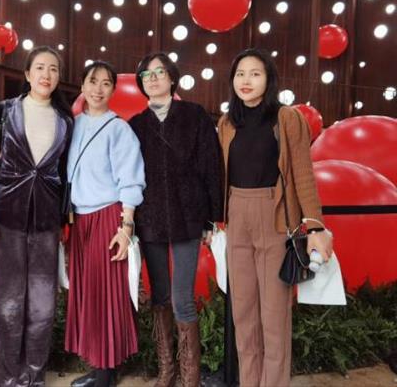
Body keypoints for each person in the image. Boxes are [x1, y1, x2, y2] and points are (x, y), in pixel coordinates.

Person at [217, 47, 333, 387]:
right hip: (236, 215)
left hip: (274, 215)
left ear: (269, 79)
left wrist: (315, 225)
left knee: (273, 316)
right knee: (243, 314)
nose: (246, 80)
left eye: (255, 73)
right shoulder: (226, 123)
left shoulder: (287, 118)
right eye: (240, 74)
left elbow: (303, 174)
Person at [128, 52, 222, 387]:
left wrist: (212, 218)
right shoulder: (135, 125)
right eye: (146, 74)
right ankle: (167, 371)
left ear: (172, 78)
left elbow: (212, 165)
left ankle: (190, 376)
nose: (153, 78)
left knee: (182, 297)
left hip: (188, 216)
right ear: (141, 83)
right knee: (160, 296)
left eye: (160, 72)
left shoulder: (194, 115)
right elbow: (129, 174)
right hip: (150, 219)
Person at [0, 46, 74, 387]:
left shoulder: (66, 121)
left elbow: (66, 172)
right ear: (27, 74)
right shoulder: (4, 111)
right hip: (7, 215)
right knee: (8, 303)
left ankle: (34, 376)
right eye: (39, 67)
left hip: (47, 219)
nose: (46, 74)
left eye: (53, 69)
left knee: (42, 304)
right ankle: (8, 378)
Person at [65, 61, 145, 387]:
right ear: (82, 86)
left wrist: (125, 228)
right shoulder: (71, 125)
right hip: (78, 219)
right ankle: (97, 364)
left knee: (106, 295)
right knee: (86, 293)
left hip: (108, 217)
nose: (98, 89)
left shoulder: (119, 129)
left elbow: (131, 180)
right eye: (92, 81)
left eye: (106, 83)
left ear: (113, 89)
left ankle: (107, 371)